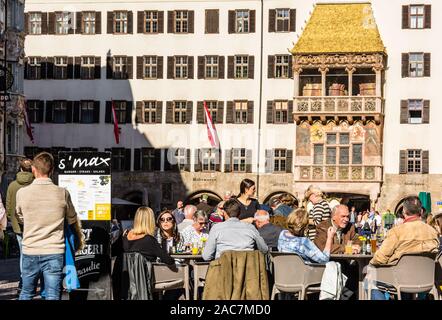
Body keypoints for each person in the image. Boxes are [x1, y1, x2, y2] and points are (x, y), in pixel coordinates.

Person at [16, 152, 82, 300]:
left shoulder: (22, 193)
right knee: (53, 295)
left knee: (26, 293)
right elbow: (72, 218)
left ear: (33, 169)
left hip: (30, 248)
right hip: (54, 250)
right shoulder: (62, 193)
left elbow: (20, 217)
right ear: (52, 170)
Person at [367, 196, 439, 300]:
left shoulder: (397, 231)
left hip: (399, 280)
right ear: (421, 211)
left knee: (370, 280)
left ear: (404, 211)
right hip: (424, 280)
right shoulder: (432, 232)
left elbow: (380, 258)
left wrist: (370, 264)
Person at [202, 199, 268, 261]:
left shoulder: (216, 228)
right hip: (247, 270)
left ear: (224, 212)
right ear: (239, 213)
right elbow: (264, 249)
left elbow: (206, 256)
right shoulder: (251, 228)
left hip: (224, 270)